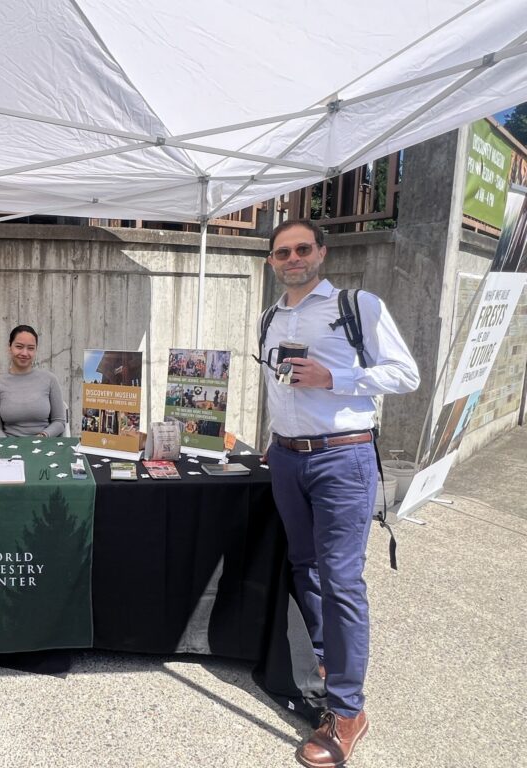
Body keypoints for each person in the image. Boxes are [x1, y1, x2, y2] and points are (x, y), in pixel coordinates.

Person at [258, 220, 419, 767]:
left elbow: (406, 375)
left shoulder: (357, 305)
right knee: (306, 566)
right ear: (271, 262)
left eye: (303, 248)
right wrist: (273, 439)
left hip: (342, 457)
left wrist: (336, 379)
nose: (293, 258)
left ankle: (348, 711)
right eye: (283, 252)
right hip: (286, 457)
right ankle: (329, 662)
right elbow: (277, 386)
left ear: (321, 253)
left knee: (343, 580)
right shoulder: (270, 316)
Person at [0, 325, 66, 437]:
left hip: (44, 445)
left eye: (30, 348)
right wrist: (8, 446)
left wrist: (43, 436)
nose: (24, 353)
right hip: (9, 447)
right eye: (19, 346)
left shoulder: (50, 380)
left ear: (36, 350)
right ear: (9, 347)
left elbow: (59, 422)